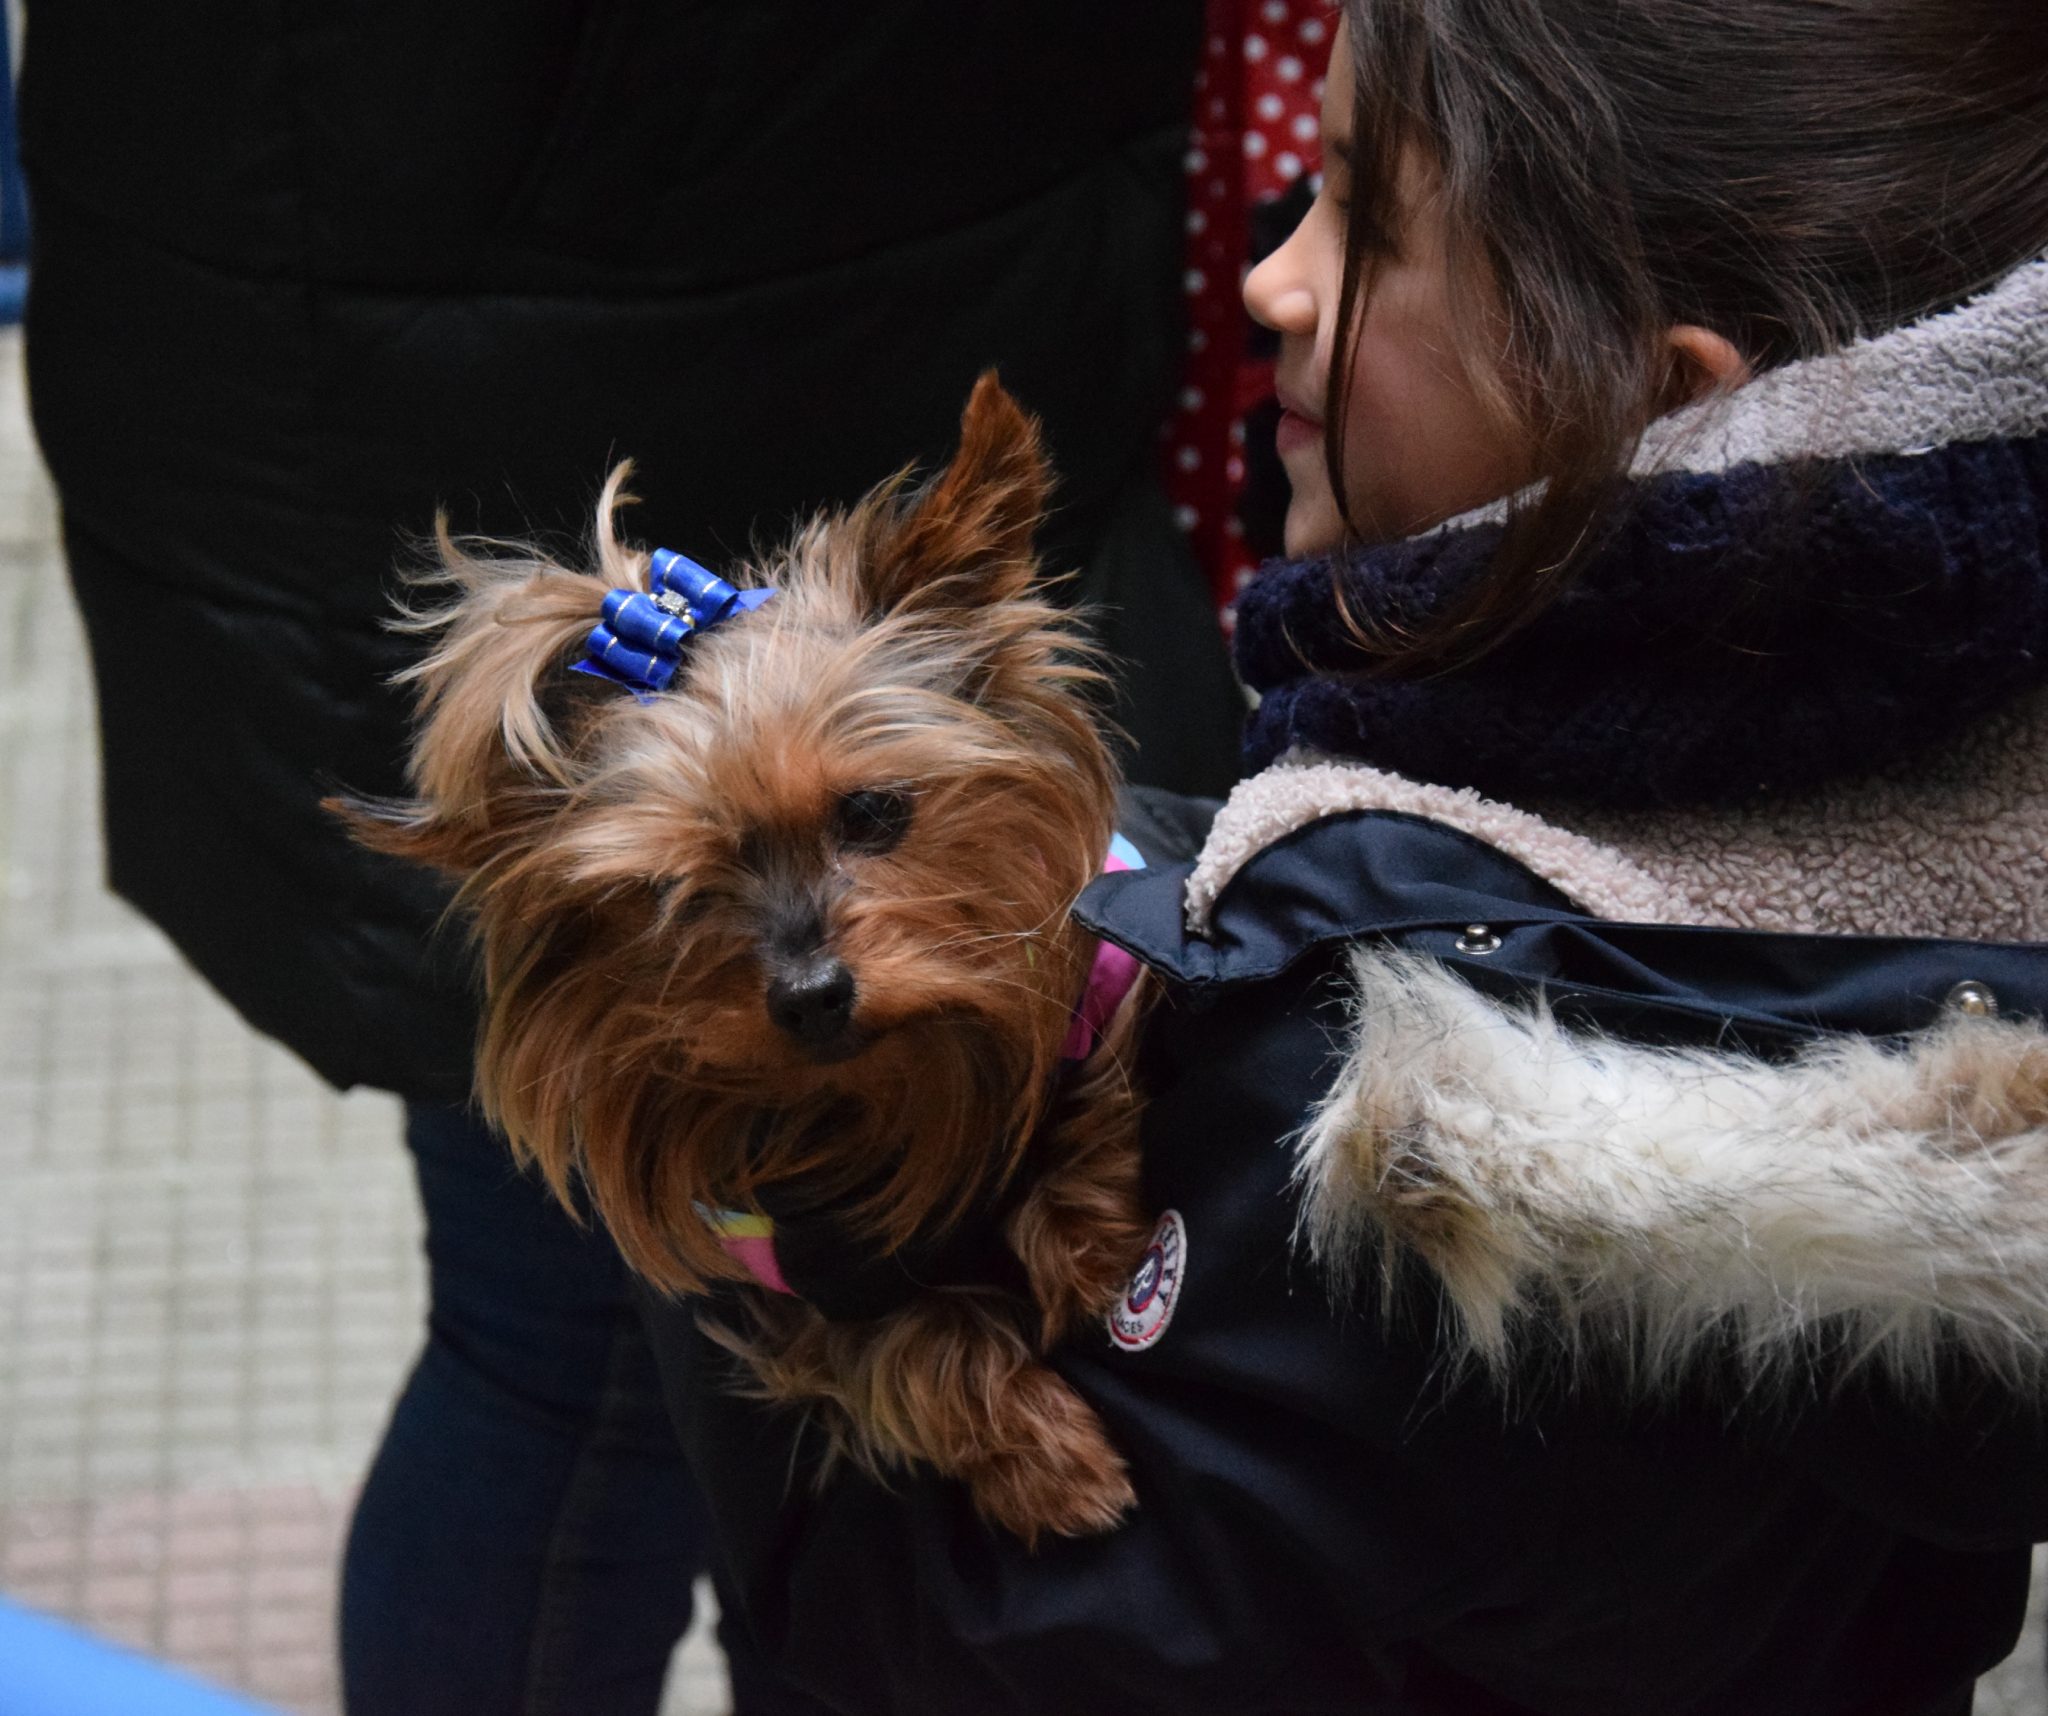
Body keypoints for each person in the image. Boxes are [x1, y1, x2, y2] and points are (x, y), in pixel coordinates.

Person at [652, 3, 2048, 1712]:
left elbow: (965, 1652)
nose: (1270, 281)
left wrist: (726, 1205)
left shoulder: (1393, 1040)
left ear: (1660, 400)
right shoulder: (1965, 814)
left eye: (1361, 224)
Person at [16, 5, 1240, 1713]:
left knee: (560, 1377)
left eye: (869, 824)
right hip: (510, 317)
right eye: (679, 892)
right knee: (582, 1366)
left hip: (322, 317)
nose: (809, 955)